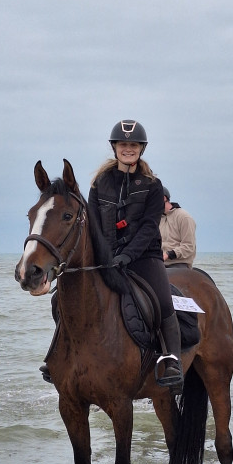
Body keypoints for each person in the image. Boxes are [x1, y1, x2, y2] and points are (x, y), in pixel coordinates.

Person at [87, 119, 183, 390]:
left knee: (163, 301)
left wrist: (127, 256)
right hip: (107, 257)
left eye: (133, 145)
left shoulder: (152, 185)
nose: (128, 149)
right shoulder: (99, 183)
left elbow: (149, 227)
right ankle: (60, 354)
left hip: (144, 256)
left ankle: (172, 360)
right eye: (123, 144)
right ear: (114, 147)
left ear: (141, 149)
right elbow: (93, 224)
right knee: (66, 294)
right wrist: (104, 256)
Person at [160, 187, 196, 268]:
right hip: (160, 263)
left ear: (164, 198)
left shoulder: (184, 217)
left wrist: (168, 254)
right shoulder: (156, 219)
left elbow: (189, 246)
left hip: (179, 263)